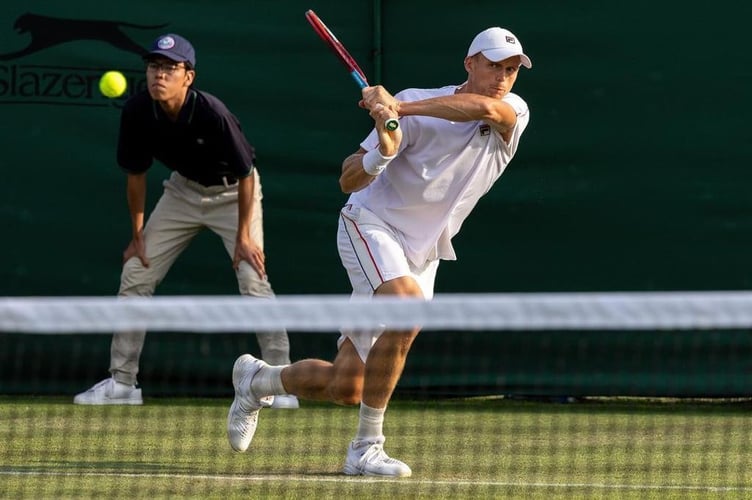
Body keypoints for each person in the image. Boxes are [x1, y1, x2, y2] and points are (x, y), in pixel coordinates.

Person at [226, 26, 532, 475]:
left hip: (423, 253)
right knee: (408, 313)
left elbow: (483, 109)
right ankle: (366, 447)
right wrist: (381, 154)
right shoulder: (413, 103)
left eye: (511, 69)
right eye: (494, 65)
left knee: (346, 385)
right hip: (370, 225)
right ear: (470, 64)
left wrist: (396, 108)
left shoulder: (510, 110)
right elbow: (347, 179)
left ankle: (257, 379)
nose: (503, 76)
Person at [73, 33, 298, 409]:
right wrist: (137, 235)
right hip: (182, 192)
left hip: (233, 195)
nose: (158, 75)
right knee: (136, 273)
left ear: (188, 76)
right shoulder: (137, 111)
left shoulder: (213, 112)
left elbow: (246, 174)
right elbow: (136, 175)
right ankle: (123, 384)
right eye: (153, 66)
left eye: (169, 68)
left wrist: (244, 236)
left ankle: (280, 381)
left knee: (252, 279)